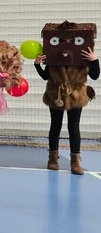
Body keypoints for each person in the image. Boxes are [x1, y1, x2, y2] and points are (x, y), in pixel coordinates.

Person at [35, 22, 99, 175]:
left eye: (72, 40)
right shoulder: (54, 57)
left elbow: (95, 76)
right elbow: (45, 76)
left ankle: (75, 161)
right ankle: (52, 159)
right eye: (64, 41)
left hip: (76, 95)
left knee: (74, 127)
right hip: (55, 94)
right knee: (55, 126)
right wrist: (37, 65)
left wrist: (94, 60)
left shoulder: (83, 57)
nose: (67, 44)